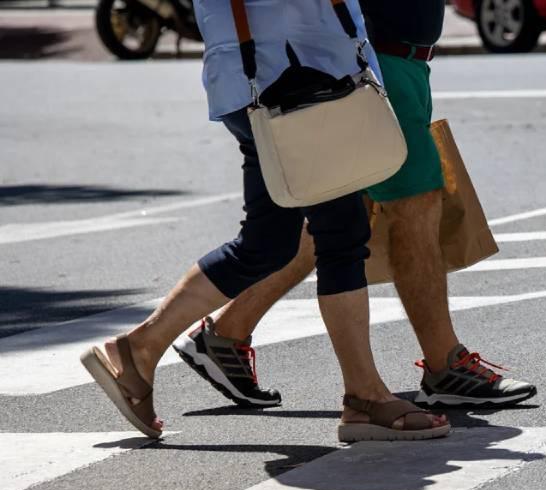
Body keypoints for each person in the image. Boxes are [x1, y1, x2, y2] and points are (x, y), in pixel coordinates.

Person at [81, 0, 448, 442]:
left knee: (268, 241)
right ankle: (365, 398)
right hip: (292, 73)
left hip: (268, 74)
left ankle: (138, 350)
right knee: (341, 233)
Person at [172, 0, 538, 410]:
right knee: (413, 203)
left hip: (392, 57)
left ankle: (225, 334)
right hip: (372, 57)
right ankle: (444, 364)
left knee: (336, 215)